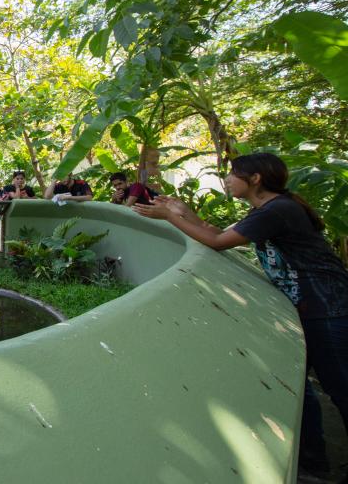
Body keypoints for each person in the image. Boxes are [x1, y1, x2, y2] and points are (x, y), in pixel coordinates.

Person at [133, 152, 348, 476]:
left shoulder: (277, 210)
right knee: (300, 387)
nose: (228, 179)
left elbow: (218, 241)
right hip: (309, 307)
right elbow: (215, 230)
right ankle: (313, 462)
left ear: (255, 178)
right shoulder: (266, 210)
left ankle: (315, 461)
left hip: (327, 307)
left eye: (233, 174)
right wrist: (182, 211)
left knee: (340, 387)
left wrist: (169, 217)